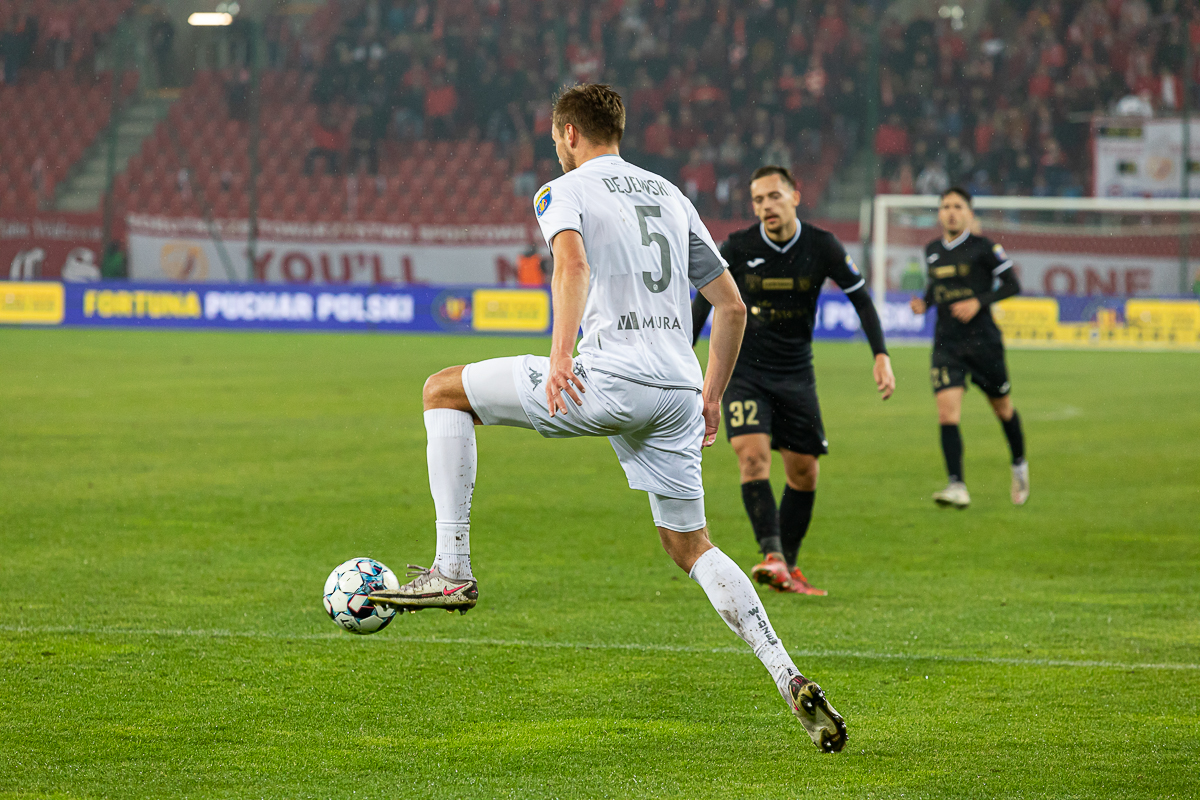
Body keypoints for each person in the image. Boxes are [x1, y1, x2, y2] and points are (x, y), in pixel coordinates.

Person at [369, 84, 847, 753]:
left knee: (442, 391)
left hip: (609, 378)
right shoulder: (668, 194)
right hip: (678, 391)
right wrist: (710, 395)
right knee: (691, 546)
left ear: (568, 133)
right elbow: (731, 308)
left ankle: (451, 567)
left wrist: (561, 355)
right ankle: (786, 672)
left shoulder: (563, 190)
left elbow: (571, 264)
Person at [691, 166, 894, 596]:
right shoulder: (738, 247)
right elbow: (703, 304)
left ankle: (790, 563)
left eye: (774, 196)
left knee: (803, 473)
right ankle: (773, 556)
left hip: (796, 373)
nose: (766, 206)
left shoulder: (822, 245)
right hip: (744, 372)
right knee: (752, 457)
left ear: (795, 197)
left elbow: (861, 298)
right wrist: (681, 355)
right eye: (759, 199)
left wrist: (881, 354)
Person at [909, 187, 1028, 508]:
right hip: (947, 344)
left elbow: (1014, 285)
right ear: (939, 213)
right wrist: (925, 303)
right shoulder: (932, 249)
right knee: (947, 413)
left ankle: (1019, 464)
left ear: (969, 213)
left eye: (957, 206)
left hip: (983, 345)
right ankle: (957, 485)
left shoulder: (984, 248)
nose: (950, 211)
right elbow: (936, 287)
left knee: (1003, 409)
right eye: (945, 206)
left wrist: (979, 301)